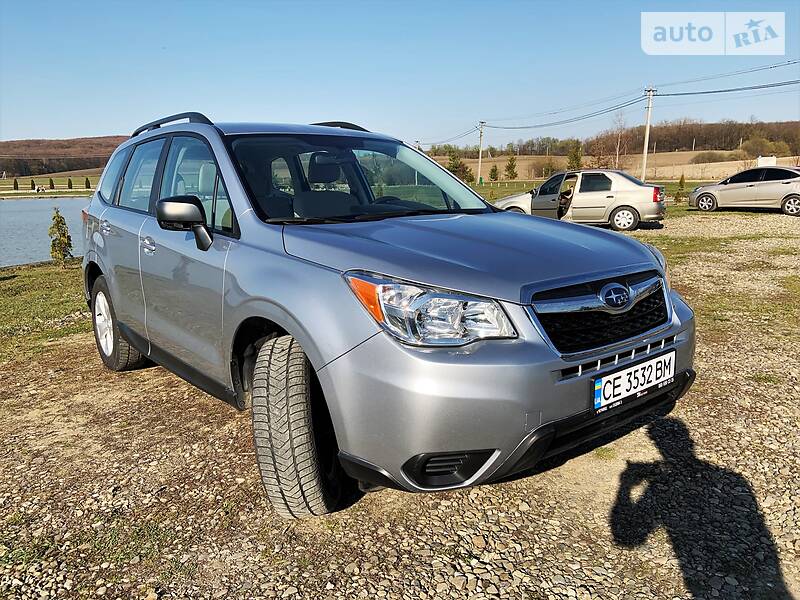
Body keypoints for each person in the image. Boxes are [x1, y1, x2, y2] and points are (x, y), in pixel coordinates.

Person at [611, 418, 791, 598]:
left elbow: (627, 538)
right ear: (690, 441)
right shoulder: (735, 480)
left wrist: (625, 485)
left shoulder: (658, 487)